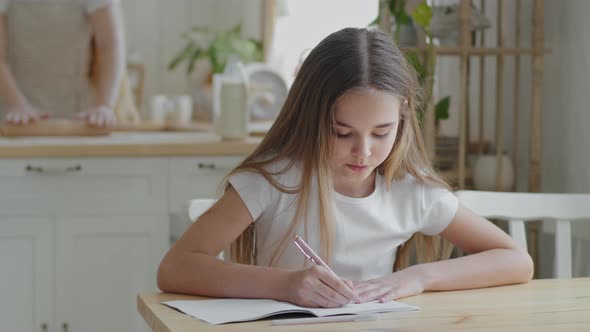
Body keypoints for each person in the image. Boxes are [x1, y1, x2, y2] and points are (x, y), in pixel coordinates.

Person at [157, 27, 533, 308]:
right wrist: (287, 285)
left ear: (402, 116)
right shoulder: (274, 181)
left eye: (382, 133)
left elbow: (517, 261)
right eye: (342, 133)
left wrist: (419, 276)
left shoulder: (410, 191)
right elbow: (175, 268)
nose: (363, 152)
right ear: (311, 118)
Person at [0, 0, 125, 127]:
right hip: (14, 112)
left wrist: (104, 106)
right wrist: (17, 105)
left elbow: (109, 46)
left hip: (80, 113)